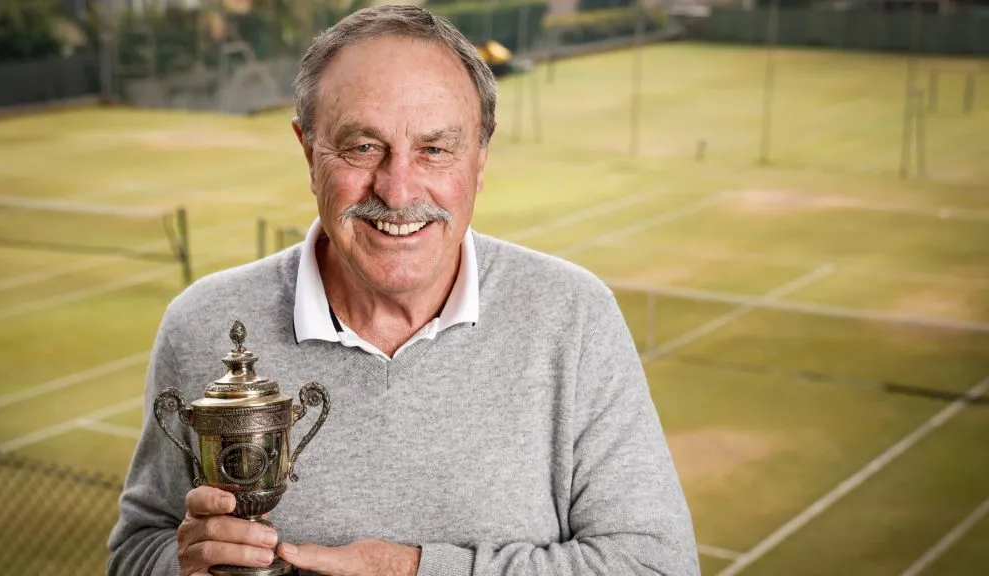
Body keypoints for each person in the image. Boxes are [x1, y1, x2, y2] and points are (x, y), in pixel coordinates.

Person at [106, 5, 699, 576]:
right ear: (308, 153)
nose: (396, 189)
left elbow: (658, 564)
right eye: (363, 147)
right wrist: (182, 564)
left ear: (481, 160)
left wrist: (415, 569)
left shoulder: (574, 317)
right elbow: (137, 550)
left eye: (435, 149)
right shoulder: (204, 324)